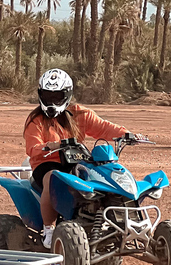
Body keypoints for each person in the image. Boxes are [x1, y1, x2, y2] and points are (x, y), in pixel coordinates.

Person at [25, 69, 134, 248]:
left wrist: (127, 134)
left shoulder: (79, 114)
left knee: (102, 174)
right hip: (45, 163)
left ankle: (109, 220)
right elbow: (32, 147)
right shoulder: (35, 120)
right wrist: (47, 146)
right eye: (47, 95)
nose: (51, 101)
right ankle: (49, 230)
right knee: (52, 176)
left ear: (67, 95)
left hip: (74, 161)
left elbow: (104, 128)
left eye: (57, 96)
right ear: (40, 94)